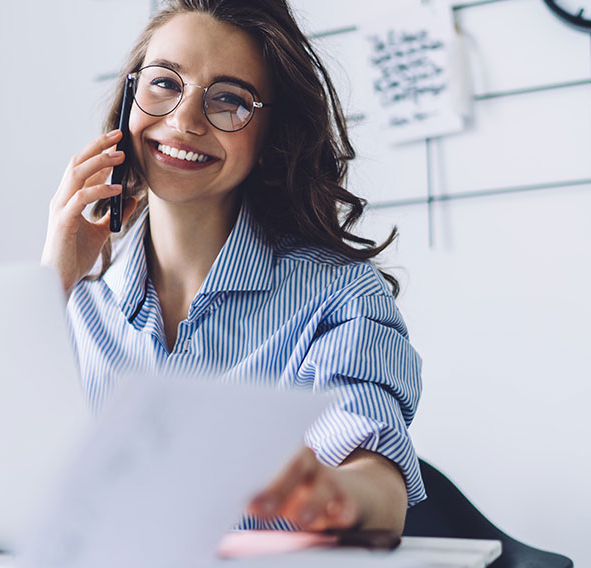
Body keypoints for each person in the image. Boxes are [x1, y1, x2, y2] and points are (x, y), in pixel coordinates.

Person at [41, 0, 423, 533]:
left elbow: (378, 479)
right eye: (164, 83)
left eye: (228, 100)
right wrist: (50, 283)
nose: (184, 120)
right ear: (130, 96)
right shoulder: (71, 302)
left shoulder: (340, 295)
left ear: (270, 140)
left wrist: (334, 493)